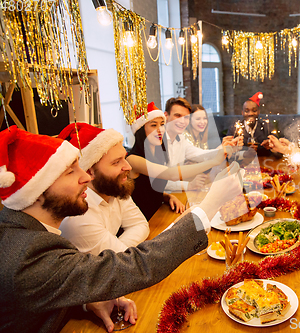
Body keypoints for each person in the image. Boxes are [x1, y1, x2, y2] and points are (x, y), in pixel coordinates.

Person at [0, 125, 243, 333]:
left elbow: (44, 291)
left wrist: (86, 303)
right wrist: (210, 205)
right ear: (37, 192)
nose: (85, 177)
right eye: (70, 172)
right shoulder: (26, 254)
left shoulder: (26, 235)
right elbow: (134, 267)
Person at [58, 123, 149, 255]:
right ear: (89, 172)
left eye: (124, 157)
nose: (128, 167)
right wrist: (121, 253)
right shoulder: (78, 215)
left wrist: (120, 248)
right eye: (116, 162)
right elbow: (118, 262)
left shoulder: (113, 188)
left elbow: (140, 224)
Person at [126, 102, 228, 220]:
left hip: (158, 213)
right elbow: (171, 174)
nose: (160, 130)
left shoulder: (157, 153)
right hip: (143, 221)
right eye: (153, 125)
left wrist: (168, 197)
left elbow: (150, 191)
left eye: (162, 124)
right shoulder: (133, 159)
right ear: (140, 130)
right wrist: (214, 161)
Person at [227, 92, 279, 157]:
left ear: (258, 112)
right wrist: (244, 154)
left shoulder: (267, 126)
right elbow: (227, 155)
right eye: (246, 111)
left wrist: (272, 147)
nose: (250, 114)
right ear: (242, 113)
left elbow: (279, 153)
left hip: (264, 164)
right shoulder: (234, 129)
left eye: (254, 110)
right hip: (242, 165)